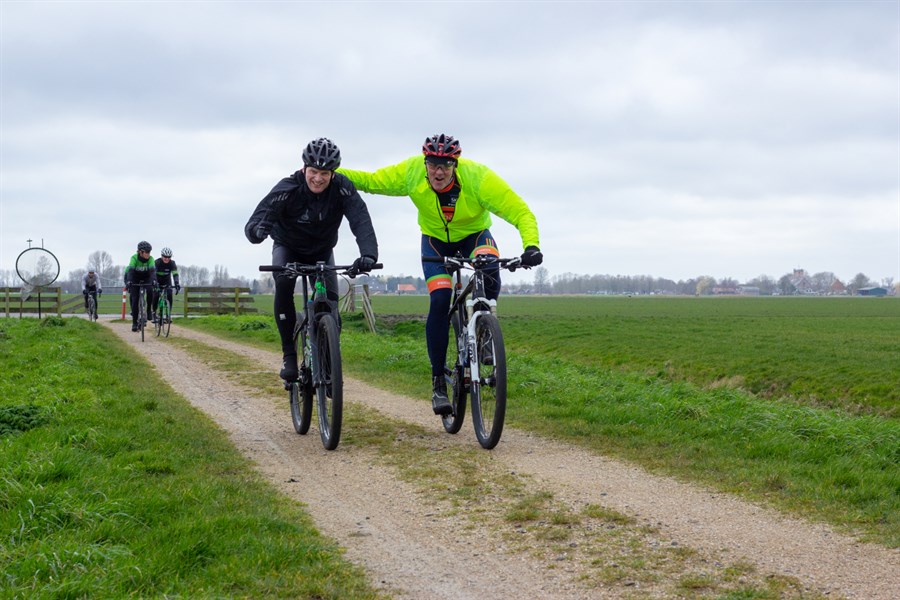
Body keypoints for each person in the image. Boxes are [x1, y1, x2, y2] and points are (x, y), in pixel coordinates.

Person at [338, 133, 543, 416]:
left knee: (491, 269)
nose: (438, 171)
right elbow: (371, 181)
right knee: (440, 298)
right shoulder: (411, 173)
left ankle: (484, 331)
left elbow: (519, 211)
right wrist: (329, 170)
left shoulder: (479, 178)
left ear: (456, 164)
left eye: (446, 165)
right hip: (435, 242)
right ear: (425, 163)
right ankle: (438, 382)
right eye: (433, 164)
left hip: (475, 235)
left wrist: (531, 245)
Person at [245, 137, 379, 381]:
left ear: (333, 173)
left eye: (325, 173)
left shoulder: (342, 188)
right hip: (288, 247)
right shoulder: (288, 187)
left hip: (321, 251)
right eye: (313, 171)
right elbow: (258, 219)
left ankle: (328, 366)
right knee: (284, 284)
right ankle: (288, 355)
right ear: (304, 168)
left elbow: (360, 218)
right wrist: (257, 230)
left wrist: (368, 254)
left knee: (331, 305)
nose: (318, 178)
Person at [124, 241, 157, 331]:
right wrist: (129, 281)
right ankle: (134, 323)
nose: (148, 254)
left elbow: (153, 271)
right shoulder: (134, 258)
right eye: (146, 252)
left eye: (149, 252)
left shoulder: (151, 259)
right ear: (140, 252)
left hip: (147, 277)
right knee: (134, 299)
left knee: (150, 290)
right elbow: (130, 270)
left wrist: (154, 280)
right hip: (135, 278)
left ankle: (149, 310)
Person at [152, 247, 181, 323]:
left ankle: (169, 315)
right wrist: (155, 283)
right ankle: (154, 313)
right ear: (162, 256)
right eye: (165, 257)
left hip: (167, 281)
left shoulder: (172, 263)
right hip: (157, 280)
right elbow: (153, 274)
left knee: (169, 295)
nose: (167, 259)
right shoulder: (157, 262)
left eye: (169, 257)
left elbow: (175, 274)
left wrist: (177, 283)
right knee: (155, 295)